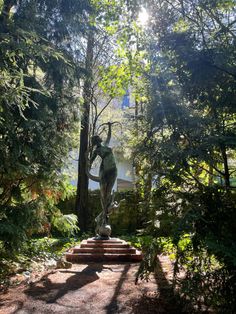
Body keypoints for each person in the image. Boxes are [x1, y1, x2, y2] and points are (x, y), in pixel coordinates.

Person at [89, 122, 117, 227]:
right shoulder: (96, 151)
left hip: (113, 170)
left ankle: (104, 216)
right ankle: (104, 218)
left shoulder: (106, 145)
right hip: (105, 172)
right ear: (96, 142)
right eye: (96, 140)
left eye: (98, 139)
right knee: (104, 194)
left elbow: (109, 136)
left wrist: (110, 127)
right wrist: (88, 165)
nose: (99, 140)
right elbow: (91, 161)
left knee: (108, 193)